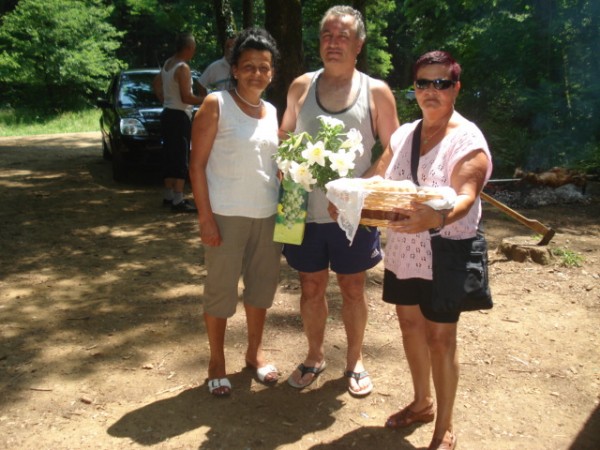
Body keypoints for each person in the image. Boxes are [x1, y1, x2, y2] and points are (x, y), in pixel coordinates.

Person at [371, 51, 493, 450]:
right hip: (405, 247)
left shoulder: (467, 140)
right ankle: (422, 402)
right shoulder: (405, 134)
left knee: (440, 339)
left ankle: (444, 427)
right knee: (409, 325)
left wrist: (435, 217)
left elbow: (466, 196)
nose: (431, 90)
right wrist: (347, 196)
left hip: (446, 248)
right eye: (423, 83)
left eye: (441, 83)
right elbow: (377, 176)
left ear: (456, 88)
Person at [279, 5, 399, 397]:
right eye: (327, 35)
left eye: (343, 36)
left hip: (354, 212)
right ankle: (314, 356)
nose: (333, 43)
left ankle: (354, 360)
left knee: (352, 287)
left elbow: (393, 147)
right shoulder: (300, 86)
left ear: (358, 44)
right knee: (310, 286)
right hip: (299, 207)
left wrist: (357, 190)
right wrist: (286, 164)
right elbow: (284, 136)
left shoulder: (376, 91)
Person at [189, 28, 282, 397]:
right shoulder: (216, 104)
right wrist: (206, 218)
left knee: (260, 289)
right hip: (226, 216)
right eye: (249, 66)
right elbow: (196, 166)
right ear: (235, 69)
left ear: (272, 72)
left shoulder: (272, 112)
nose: (256, 73)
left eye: (264, 67)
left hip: (268, 215)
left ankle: (254, 354)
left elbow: (268, 164)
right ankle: (216, 362)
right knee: (220, 292)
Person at [153, 33, 205, 213]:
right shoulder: (183, 68)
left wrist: (165, 100)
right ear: (188, 48)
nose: (194, 52)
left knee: (169, 154)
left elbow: (156, 83)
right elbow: (186, 97)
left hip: (167, 113)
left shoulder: (168, 63)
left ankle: (168, 195)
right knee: (181, 156)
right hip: (180, 116)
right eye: (194, 48)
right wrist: (206, 99)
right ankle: (178, 199)